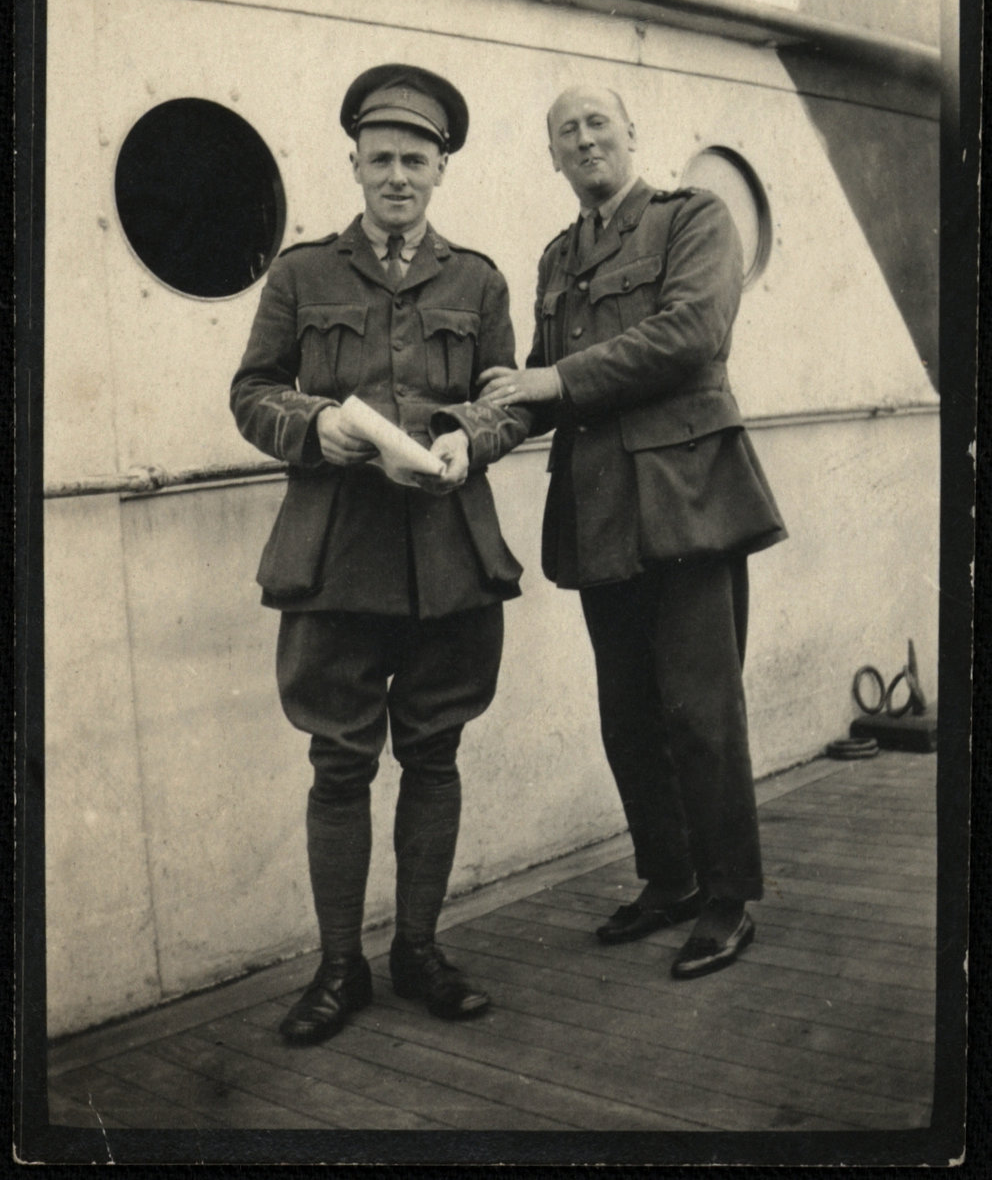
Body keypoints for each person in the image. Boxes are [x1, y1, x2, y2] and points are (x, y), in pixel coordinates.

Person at [232, 64, 528, 1043]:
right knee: (338, 764)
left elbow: (504, 396)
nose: (397, 174)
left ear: (440, 167)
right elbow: (253, 392)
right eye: (381, 157)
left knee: (434, 753)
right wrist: (317, 428)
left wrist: (467, 439)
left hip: (449, 558)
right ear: (355, 162)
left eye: (416, 158)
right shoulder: (300, 273)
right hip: (334, 557)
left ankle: (417, 947)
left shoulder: (478, 279)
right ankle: (336, 966)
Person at [480, 85, 786, 980]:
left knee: (702, 712)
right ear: (553, 156)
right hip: (601, 514)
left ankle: (729, 899)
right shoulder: (555, 259)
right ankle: (672, 878)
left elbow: (692, 333)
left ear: (630, 136)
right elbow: (534, 388)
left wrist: (551, 383)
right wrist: (467, 432)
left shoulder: (695, 218)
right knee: (629, 718)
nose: (584, 141)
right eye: (565, 131)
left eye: (597, 124)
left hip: (689, 499)